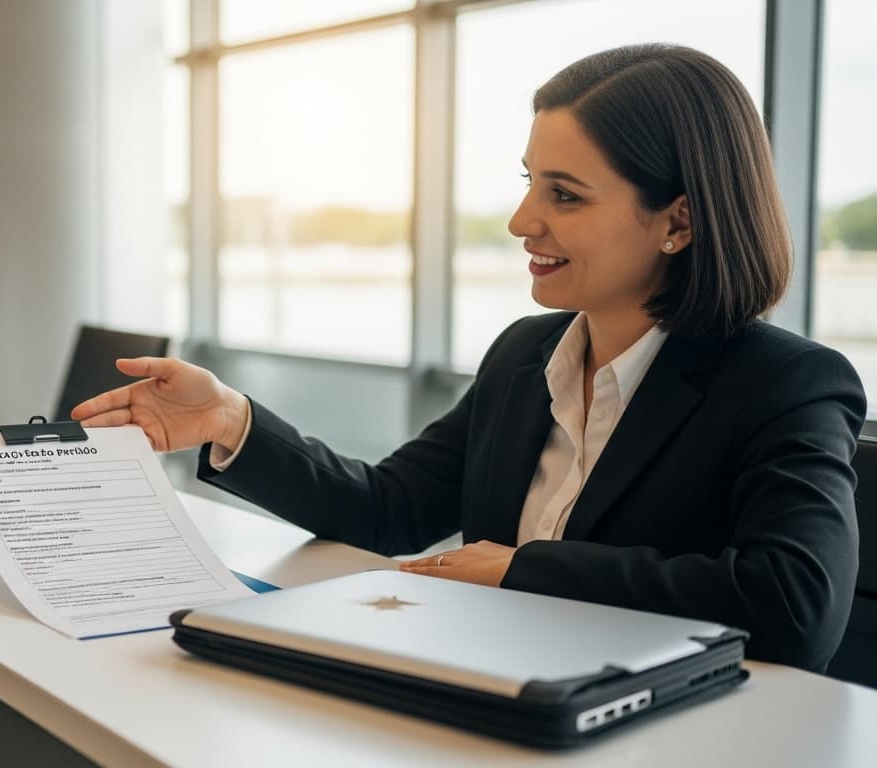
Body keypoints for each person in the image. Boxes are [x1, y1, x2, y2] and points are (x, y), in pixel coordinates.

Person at [73, 44, 866, 673]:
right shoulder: (526, 355)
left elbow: (795, 607)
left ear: (679, 223)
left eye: (564, 194)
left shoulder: (785, 383)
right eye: (529, 183)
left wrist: (525, 570)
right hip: (494, 696)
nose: (521, 220)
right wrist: (230, 420)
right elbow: (389, 510)